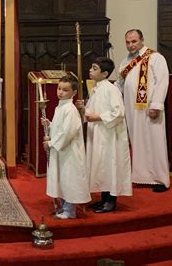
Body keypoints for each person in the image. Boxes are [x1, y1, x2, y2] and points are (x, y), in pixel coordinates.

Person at [115, 29, 170, 192]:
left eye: (134, 41)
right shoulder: (125, 62)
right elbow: (119, 84)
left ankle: (160, 179)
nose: (131, 45)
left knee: (155, 141)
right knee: (137, 141)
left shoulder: (156, 58)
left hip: (149, 108)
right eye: (128, 42)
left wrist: (156, 105)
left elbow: (162, 82)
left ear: (142, 40)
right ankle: (142, 176)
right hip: (132, 110)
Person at [79, 58, 132, 213]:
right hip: (98, 134)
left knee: (110, 165)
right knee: (101, 166)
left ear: (104, 73)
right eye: (91, 67)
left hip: (110, 135)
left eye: (94, 68)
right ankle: (103, 198)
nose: (90, 70)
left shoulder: (111, 89)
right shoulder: (96, 89)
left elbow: (119, 112)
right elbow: (90, 111)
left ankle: (111, 200)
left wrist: (98, 117)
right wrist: (83, 110)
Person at [41, 74, 90, 219]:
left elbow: (67, 133)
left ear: (74, 93)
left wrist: (50, 143)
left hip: (70, 153)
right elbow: (59, 128)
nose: (60, 92)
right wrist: (49, 124)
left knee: (69, 178)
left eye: (65, 90)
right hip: (61, 151)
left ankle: (70, 210)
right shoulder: (61, 107)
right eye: (59, 88)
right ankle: (63, 207)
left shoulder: (70, 109)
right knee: (62, 178)